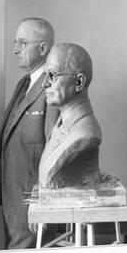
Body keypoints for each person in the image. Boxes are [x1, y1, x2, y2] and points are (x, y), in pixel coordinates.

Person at [0, 17, 59, 249]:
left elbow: (54, 148)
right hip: (13, 193)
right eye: (15, 42)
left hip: (32, 196)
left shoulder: (53, 87)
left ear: (43, 48)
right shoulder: (24, 83)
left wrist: (43, 199)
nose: (15, 49)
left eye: (22, 43)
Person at [37, 43, 102, 189]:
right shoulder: (60, 125)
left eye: (52, 75)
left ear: (79, 82)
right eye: (44, 75)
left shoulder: (84, 134)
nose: (44, 84)